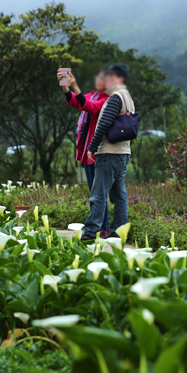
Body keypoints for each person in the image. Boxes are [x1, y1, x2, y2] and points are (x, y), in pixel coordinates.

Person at [79, 63, 134, 242]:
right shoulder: (127, 97)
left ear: (119, 79)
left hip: (109, 153)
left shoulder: (115, 97)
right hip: (123, 153)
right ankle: (118, 232)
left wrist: (92, 147)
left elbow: (103, 124)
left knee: (99, 193)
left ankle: (89, 231)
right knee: (119, 195)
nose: (106, 80)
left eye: (109, 77)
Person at [61, 69, 110, 235]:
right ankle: (102, 226)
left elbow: (91, 107)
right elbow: (78, 101)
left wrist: (75, 85)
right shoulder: (94, 94)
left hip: (97, 150)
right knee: (94, 192)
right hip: (86, 150)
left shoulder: (107, 99)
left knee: (98, 193)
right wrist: (66, 87)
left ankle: (104, 227)